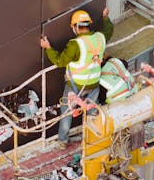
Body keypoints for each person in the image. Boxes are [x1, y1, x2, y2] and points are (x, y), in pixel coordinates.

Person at [40, 7, 114, 143]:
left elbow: (60, 61)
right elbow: (108, 30)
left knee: (67, 111)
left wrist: (48, 48)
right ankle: (96, 134)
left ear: (76, 27)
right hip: (94, 84)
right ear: (88, 25)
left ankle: (63, 141)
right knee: (92, 109)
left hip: (75, 86)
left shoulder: (75, 44)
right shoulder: (100, 37)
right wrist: (105, 17)